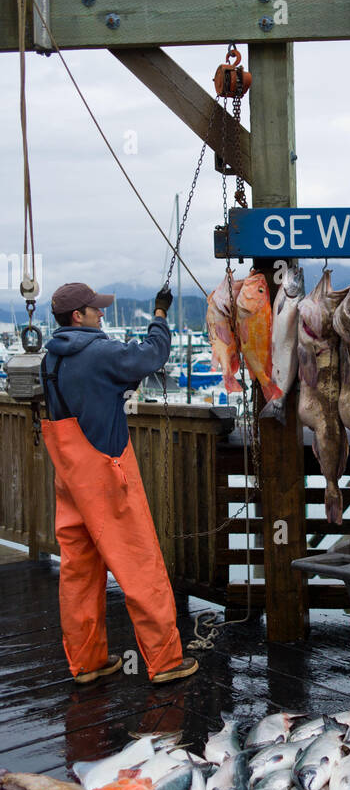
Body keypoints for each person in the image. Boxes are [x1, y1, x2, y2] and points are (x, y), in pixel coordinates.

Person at [40, 281, 199, 687]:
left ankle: (87, 662)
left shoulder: (51, 360)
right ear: (78, 316)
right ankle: (164, 662)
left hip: (70, 478)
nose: (102, 313)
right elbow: (152, 355)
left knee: (79, 572)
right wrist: (159, 316)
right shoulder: (100, 352)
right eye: (95, 309)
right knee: (140, 565)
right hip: (107, 475)